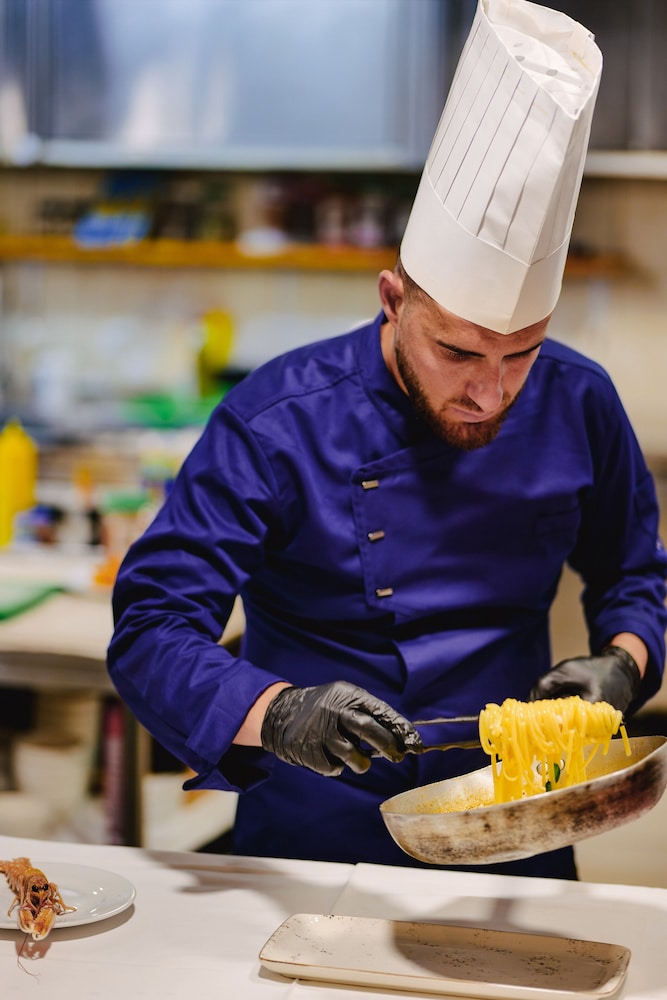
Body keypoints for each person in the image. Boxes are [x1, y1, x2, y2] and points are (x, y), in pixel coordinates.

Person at [108, 0, 667, 879]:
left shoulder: (578, 399)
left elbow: (635, 572)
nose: (490, 391)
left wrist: (621, 666)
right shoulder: (276, 421)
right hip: (313, 828)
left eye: (521, 353)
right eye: (457, 351)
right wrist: (275, 710)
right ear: (392, 301)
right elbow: (152, 626)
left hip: (514, 820)